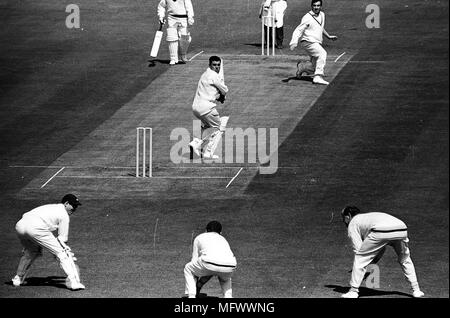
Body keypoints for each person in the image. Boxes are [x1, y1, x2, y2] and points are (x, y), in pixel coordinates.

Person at [341, 206, 425, 298]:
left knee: (360, 258)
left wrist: (364, 266)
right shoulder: (366, 218)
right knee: (405, 259)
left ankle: (353, 291)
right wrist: (371, 263)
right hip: (401, 228)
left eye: (343, 218)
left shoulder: (353, 223)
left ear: (348, 216)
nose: (343, 221)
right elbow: (380, 248)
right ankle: (416, 290)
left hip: (380, 231)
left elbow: (358, 250)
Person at [11, 194, 85, 290]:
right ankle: (74, 282)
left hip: (20, 226)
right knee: (63, 253)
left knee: (31, 251)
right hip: (35, 228)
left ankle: (18, 279)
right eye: (73, 205)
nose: (74, 209)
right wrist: (64, 253)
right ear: (66, 203)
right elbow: (62, 240)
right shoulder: (64, 214)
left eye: (76, 206)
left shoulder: (51, 207)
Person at [189, 56, 229, 160]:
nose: (217, 67)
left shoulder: (204, 75)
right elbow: (225, 90)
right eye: (214, 65)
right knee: (218, 127)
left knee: (207, 126)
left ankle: (198, 145)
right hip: (207, 108)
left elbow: (211, 91)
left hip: (196, 108)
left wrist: (219, 96)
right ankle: (201, 146)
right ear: (210, 65)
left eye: (218, 65)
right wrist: (222, 96)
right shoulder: (214, 76)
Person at [289, 0, 337, 85]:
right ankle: (318, 77)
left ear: (321, 6)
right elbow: (299, 30)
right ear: (311, 6)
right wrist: (293, 42)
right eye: (314, 5)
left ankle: (302, 67)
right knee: (322, 54)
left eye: (318, 5)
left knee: (314, 66)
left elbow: (320, 27)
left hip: (316, 42)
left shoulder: (322, 15)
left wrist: (328, 36)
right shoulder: (307, 17)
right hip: (308, 41)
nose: (316, 7)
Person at [184, 221, 237, 298]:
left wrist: (197, 284)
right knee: (225, 278)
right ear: (220, 232)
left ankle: (191, 296)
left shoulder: (200, 237)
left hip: (208, 263)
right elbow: (216, 266)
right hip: (230, 265)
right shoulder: (223, 239)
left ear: (206, 230)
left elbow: (195, 260)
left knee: (188, 268)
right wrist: (200, 284)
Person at [157, 0, 194, 65]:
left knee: (185, 38)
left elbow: (189, 7)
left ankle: (183, 55)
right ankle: (173, 58)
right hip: (171, 18)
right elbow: (161, 6)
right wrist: (161, 17)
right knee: (171, 38)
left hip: (183, 19)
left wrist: (190, 17)